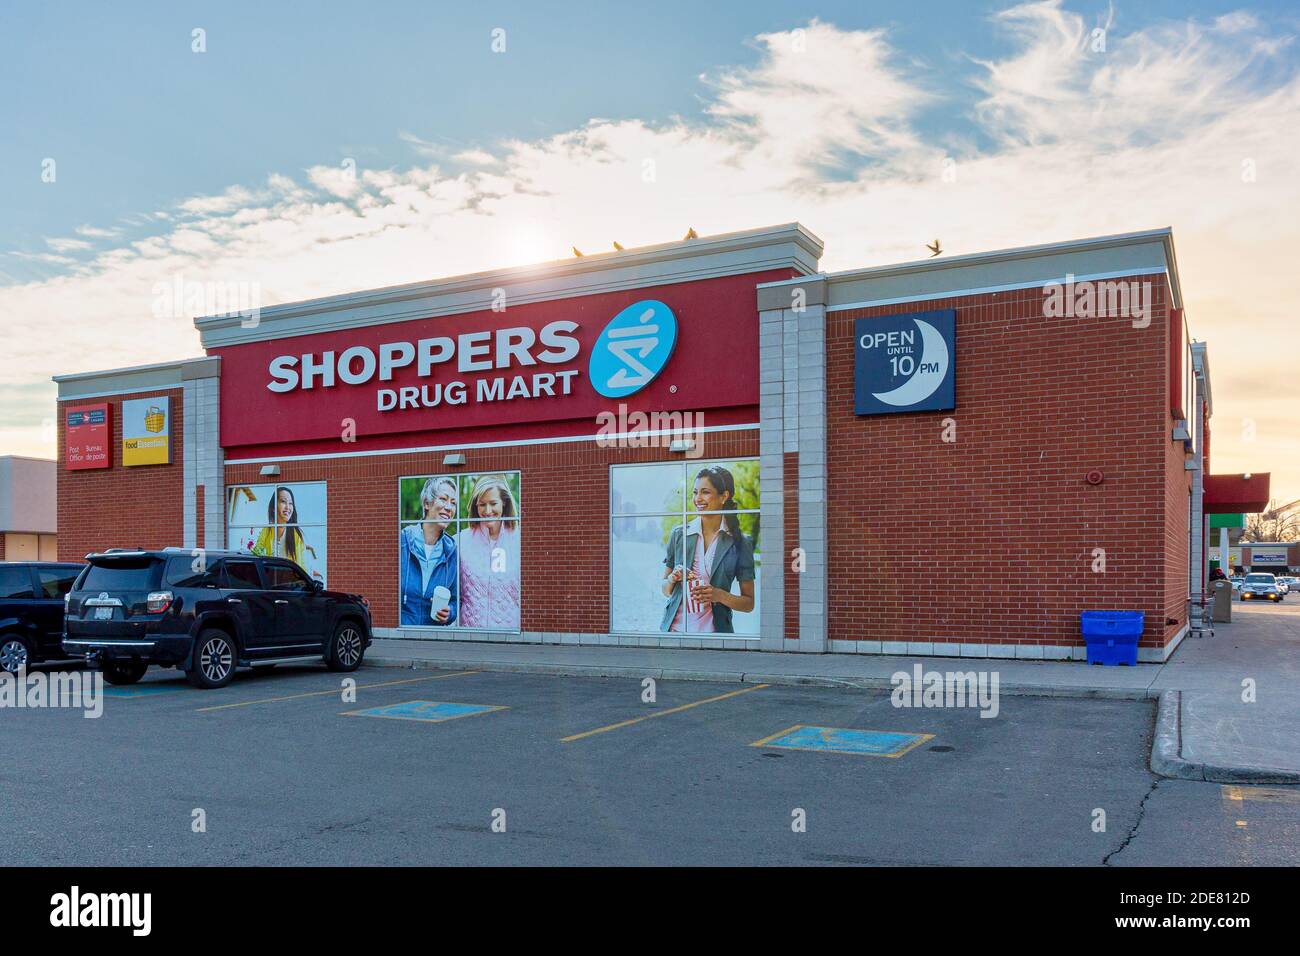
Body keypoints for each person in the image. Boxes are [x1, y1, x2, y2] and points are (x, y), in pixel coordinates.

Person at [660, 465, 755, 634]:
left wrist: (718, 595)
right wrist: (672, 579)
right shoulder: (679, 534)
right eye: (695, 492)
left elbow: (749, 604)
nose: (698, 499)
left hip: (715, 636)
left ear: (724, 496)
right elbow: (665, 590)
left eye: (705, 492)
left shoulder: (741, 542)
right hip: (673, 632)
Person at [457, 474, 521, 629]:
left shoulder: (521, 540)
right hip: (470, 636)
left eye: (493, 503)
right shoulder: (460, 540)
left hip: (512, 638)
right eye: (482, 504)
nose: (487, 511)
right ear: (475, 506)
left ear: (504, 503)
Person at [399, 477, 459, 626]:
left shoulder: (451, 552)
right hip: (401, 636)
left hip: (432, 640)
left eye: (453, 503)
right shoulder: (402, 542)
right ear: (427, 503)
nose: (449, 508)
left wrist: (449, 612)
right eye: (443, 499)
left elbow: (456, 600)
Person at [251, 486, 320, 577]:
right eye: (283, 501)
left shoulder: (297, 535)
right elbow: (257, 553)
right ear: (273, 507)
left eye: (291, 503)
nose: (288, 507)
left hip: (290, 584)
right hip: (271, 582)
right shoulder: (267, 530)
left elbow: (301, 565)